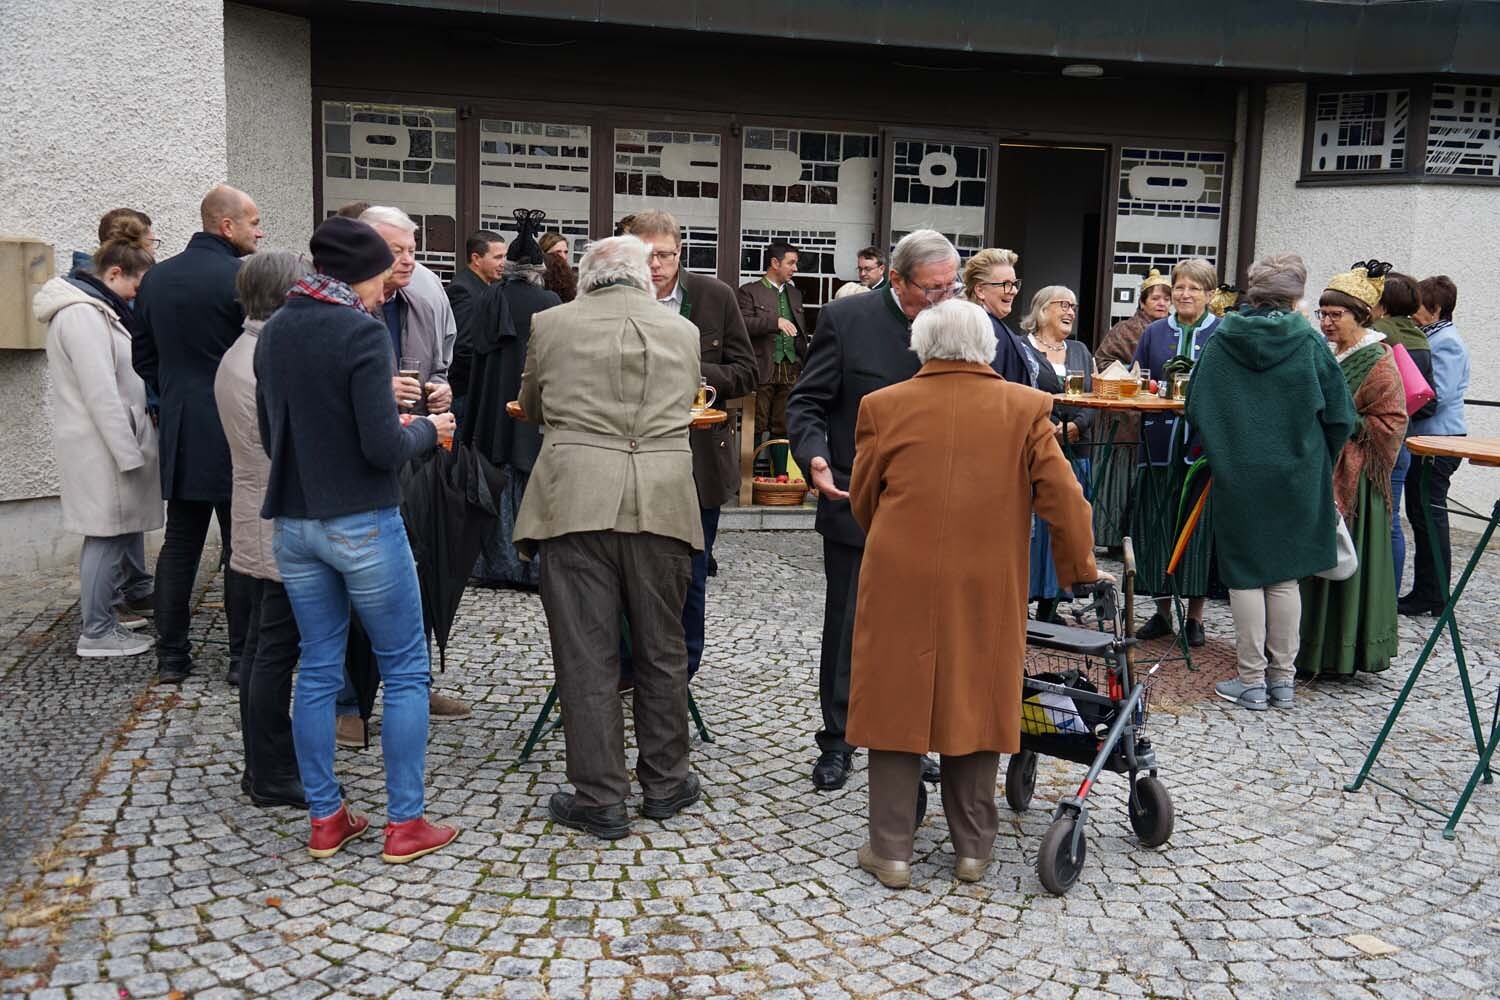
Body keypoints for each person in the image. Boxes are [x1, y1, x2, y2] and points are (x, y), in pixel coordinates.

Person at [846, 299, 1100, 889]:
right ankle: (972, 850)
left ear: (922, 345)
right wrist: (1079, 569)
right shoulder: (1025, 407)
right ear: (987, 347)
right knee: (977, 697)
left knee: (895, 700)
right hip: (988, 575)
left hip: (899, 573)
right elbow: (1065, 501)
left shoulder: (882, 405)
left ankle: (891, 851)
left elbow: (864, 497)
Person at [256, 215, 458, 863]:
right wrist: (429, 431)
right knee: (404, 669)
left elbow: (275, 436)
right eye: (380, 277)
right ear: (357, 275)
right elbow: (382, 448)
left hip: (295, 522)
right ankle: (406, 824)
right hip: (363, 521)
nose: (384, 290)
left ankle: (326, 818)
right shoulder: (361, 331)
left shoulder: (276, 328)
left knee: (317, 668)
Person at [513, 235, 705, 841]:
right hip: (664, 500)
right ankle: (666, 783)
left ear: (587, 275)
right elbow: (687, 403)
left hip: (575, 499)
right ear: (645, 277)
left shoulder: (551, 324)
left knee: (585, 654)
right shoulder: (683, 330)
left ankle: (600, 798)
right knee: (662, 650)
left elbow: (532, 403)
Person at [786, 229, 961, 792]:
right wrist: (814, 457)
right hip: (855, 498)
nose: (942, 299)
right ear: (897, 279)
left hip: (935, 506)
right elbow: (808, 402)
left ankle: (909, 739)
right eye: (931, 289)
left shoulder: (958, 322)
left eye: (951, 287)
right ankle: (838, 740)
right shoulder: (847, 319)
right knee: (849, 627)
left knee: (920, 631)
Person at [1185, 254, 1355, 711]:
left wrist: (1224, 447)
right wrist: (1316, 456)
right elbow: (1341, 415)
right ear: (1295, 295)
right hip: (1299, 473)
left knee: (1244, 575)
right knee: (1284, 576)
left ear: (1254, 291)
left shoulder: (1223, 339)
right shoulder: (1309, 342)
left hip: (1238, 472)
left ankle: (1251, 681)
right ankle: (1282, 681)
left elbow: (1195, 404)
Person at [337, 205, 467, 729]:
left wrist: (441, 390)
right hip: (356, 467)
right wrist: (376, 391)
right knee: (354, 589)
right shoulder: (341, 308)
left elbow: (440, 367)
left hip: (414, 457)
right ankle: (348, 704)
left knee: (417, 573)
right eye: (397, 251)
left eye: (412, 250)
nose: (409, 260)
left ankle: (414, 684)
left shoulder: (423, 299)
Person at [133, 184, 261, 685]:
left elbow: (143, 356)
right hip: (236, 425)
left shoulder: (156, 277)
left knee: (180, 544)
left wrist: (173, 394)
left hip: (182, 424)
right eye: (253, 222)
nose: (259, 231)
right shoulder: (241, 278)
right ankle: (241, 659)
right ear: (226, 225)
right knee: (241, 546)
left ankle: (171, 658)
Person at [626, 210, 758, 679]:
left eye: (664, 255)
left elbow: (748, 372)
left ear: (680, 253)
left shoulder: (714, 296)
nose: (655, 265)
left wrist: (688, 371)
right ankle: (628, 668)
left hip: (697, 461)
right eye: (645, 256)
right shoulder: (615, 296)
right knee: (625, 571)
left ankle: (680, 673)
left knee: (691, 572)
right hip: (629, 457)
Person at [215, 250, 314, 808]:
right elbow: (287, 445)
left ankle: (265, 768)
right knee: (272, 650)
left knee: (263, 648)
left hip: (257, 512)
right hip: (272, 519)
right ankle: (272, 773)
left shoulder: (248, 349)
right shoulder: (263, 358)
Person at [36, 219, 162, 658]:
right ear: (113, 274)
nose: (135, 297)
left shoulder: (97, 310)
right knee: (106, 536)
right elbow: (101, 393)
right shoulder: (82, 315)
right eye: (135, 287)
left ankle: (105, 621)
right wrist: (129, 453)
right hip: (104, 448)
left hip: (108, 444)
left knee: (114, 534)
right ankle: (97, 631)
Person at [1297, 265, 1407, 678]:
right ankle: (1306, 648)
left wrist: (1342, 421)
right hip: (1317, 466)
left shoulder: (1378, 360)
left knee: (1343, 560)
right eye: (1322, 314)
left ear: (1360, 315)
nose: (1326, 322)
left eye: (1335, 315)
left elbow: (1392, 422)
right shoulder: (1324, 352)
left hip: (1355, 481)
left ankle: (1341, 653)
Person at [464, 211, 559, 590]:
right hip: (532, 405)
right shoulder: (549, 301)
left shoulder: (489, 297)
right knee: (530, 481)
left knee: (497, 480)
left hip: (492, 404)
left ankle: (496, 565)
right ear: (538, 270)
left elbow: (473, 351)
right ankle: (531, 567)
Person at [1130, 258, 1221, 647]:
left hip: (1203, 450)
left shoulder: (1222, 332)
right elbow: (1137, 379)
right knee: (1156, 527)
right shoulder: (1154, 332)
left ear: (1210, 294)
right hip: (1158, 445)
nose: (1184, 294)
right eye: (1179, 287)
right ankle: (1163, 611)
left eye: (1194, 288)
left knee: (1197, 533)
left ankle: (1196, 617)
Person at [1019, 285, 1095, 623]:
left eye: (1073, 306)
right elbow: (1018, 393)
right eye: (1063, 304)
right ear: (1041, 309)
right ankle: (1022, 598)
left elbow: (1094, 395)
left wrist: (1076, 426)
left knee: (1065, 523)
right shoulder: (1021, 348)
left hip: (1076, 450)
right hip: (1035, 449)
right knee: (1032, 527)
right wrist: (1047, 428)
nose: (1070, 312)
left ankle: (1052, 603)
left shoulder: (1080, 350)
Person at [1401, 275, 1470, 615]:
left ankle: (1433, 594)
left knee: (1429, 515)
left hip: (1439, 439)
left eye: (1419, 306)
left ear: (1437, 309)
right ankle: (1428, 591)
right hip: (1429, 438)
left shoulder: (1447, 342)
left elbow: (1435, 395)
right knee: (1422, 514)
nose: (1413, 312)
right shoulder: (1433, 337)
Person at [1093, 270, 1173, 549]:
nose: (1162, 303)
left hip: (1159, 414)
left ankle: (1143, 537)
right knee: (1122, 482)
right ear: (1142, 302)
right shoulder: (1124, 330)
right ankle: (1114, 537)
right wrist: (1131, 374)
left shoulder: (1173, 332)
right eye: (1156, 298)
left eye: (1166, 299)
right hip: (1126, 418)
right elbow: (1103, 361)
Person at [1369, 269, 1436, 597]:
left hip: (1377, 437)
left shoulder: (1379, 334)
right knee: (1392, 520)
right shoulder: (1420, 337)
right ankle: (1389, 596)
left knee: (1367, 519)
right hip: (1404, 434)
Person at [737, 241, 808, 478]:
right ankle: (747, 480)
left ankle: (781, 477)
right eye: (791, 263)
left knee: (783, 424)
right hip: (761, 368)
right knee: (755, 425)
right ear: (775, 263)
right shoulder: (749, 291)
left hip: (791, 368)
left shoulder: (795, 294)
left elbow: (801, 333)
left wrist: (803, 363)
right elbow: (742, 324)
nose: (795, 268)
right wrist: (774, 322)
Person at [445, 229, 508, 423]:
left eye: (505, 256)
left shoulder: (486, 286)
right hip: (466, 392)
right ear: (476, 259)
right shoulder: (463, 290)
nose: (503, 263)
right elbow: (463, 346)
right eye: (497, 257)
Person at [961, 247, 1037, 387]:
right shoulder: (982, 329)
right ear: (980, 290)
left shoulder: (989, 324)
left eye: (1014, 284)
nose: (1014, 291)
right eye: (1006, 284)